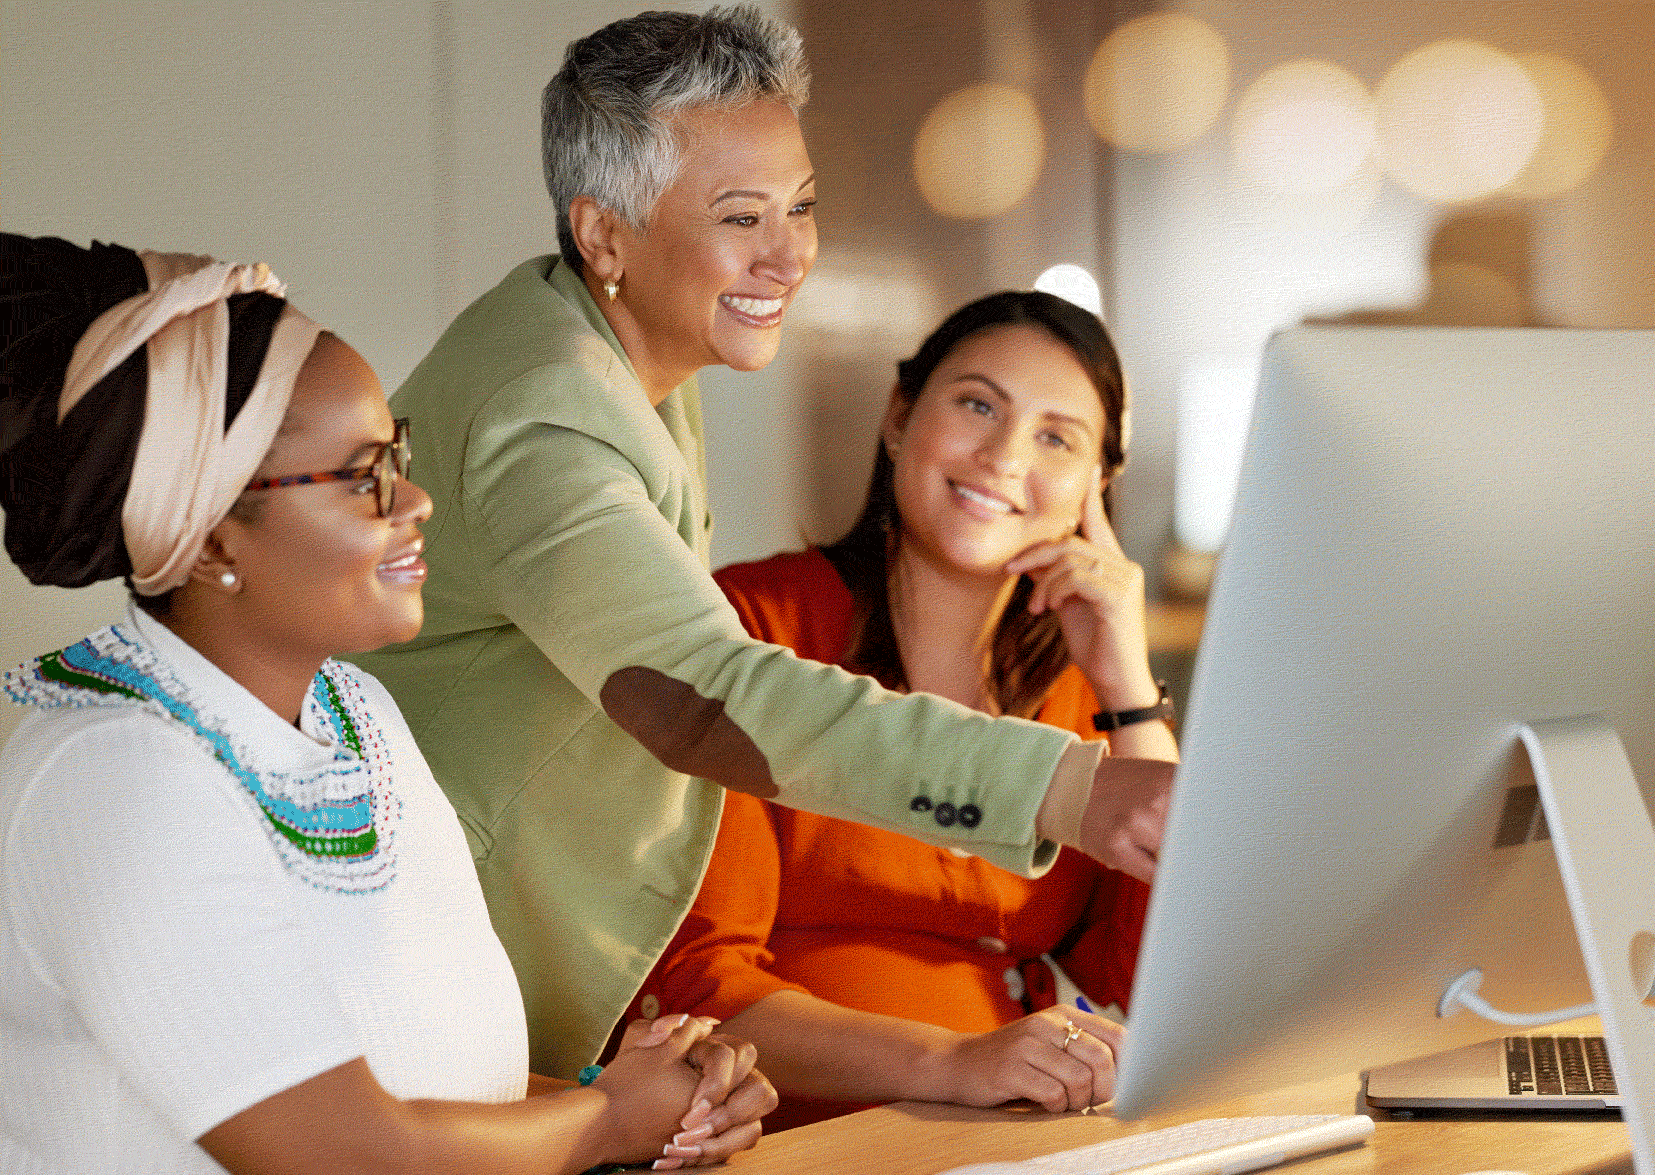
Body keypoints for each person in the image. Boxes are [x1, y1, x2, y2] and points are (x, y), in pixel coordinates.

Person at [351, 5, 1176, 1082]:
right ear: (605, 235)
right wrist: (1066, 790)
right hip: (440, 948)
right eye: (742, 217)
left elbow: (1154, 968)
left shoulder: (616, 352)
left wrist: (1125, 693)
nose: (789, 255)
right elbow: (702, 693)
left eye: (800, 206)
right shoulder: (548, 412)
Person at [0, 233, 773, 1174]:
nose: (413, 500)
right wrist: (606, 1121)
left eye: (396, 458)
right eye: (363, 476)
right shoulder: (114, 778)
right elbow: (339, 1149)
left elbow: (427, 1085)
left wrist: (654, 1111)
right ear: (208, 542)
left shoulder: (351, 709)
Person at [631, 290, 1179, 1129]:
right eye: (975, 403)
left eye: (1055, 437)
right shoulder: (748, 632)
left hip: (1018, 1140)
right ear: (898, 416)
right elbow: (700, 991)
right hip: (800, 1141)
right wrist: (954, 1061)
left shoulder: (1074, 690)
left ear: (1093, 491)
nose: (1002, 455)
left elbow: (1168, 983)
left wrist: (1128, 690)